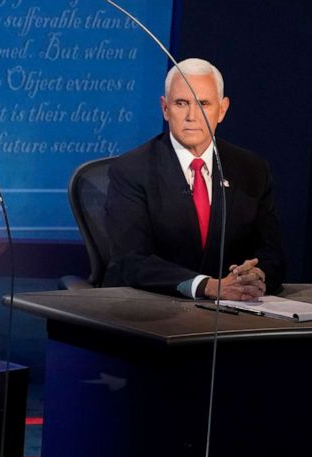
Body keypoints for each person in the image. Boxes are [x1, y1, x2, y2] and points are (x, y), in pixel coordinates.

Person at [103, 58, 286, 299]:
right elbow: (131, 259)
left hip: (231, 312)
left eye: (203, 103)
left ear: (222, 110)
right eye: (181, 103)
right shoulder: (131, 169)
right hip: (151, 306)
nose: (192, 115)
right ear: (165, 109)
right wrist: (206, 286)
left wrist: (257, 276)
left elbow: (272, 253)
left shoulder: (252, 169)